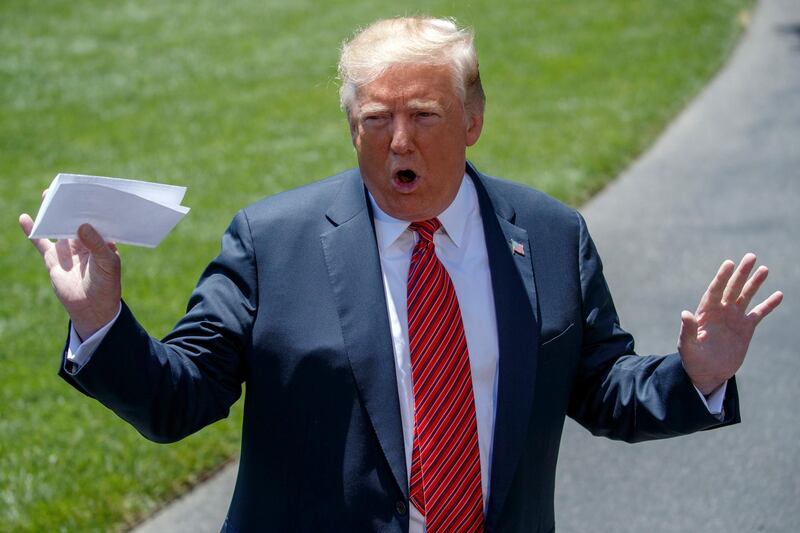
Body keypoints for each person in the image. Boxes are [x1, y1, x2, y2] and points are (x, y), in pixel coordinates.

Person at [20, 17, 782, 533]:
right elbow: (177, 399)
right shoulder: (272, 241)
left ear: (473, 119)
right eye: (375, 120)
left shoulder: (550, 236)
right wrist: (102, 324)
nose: (397, 141)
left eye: (422, 114)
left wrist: (695, 375)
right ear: (352, 127)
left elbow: (602, 385)